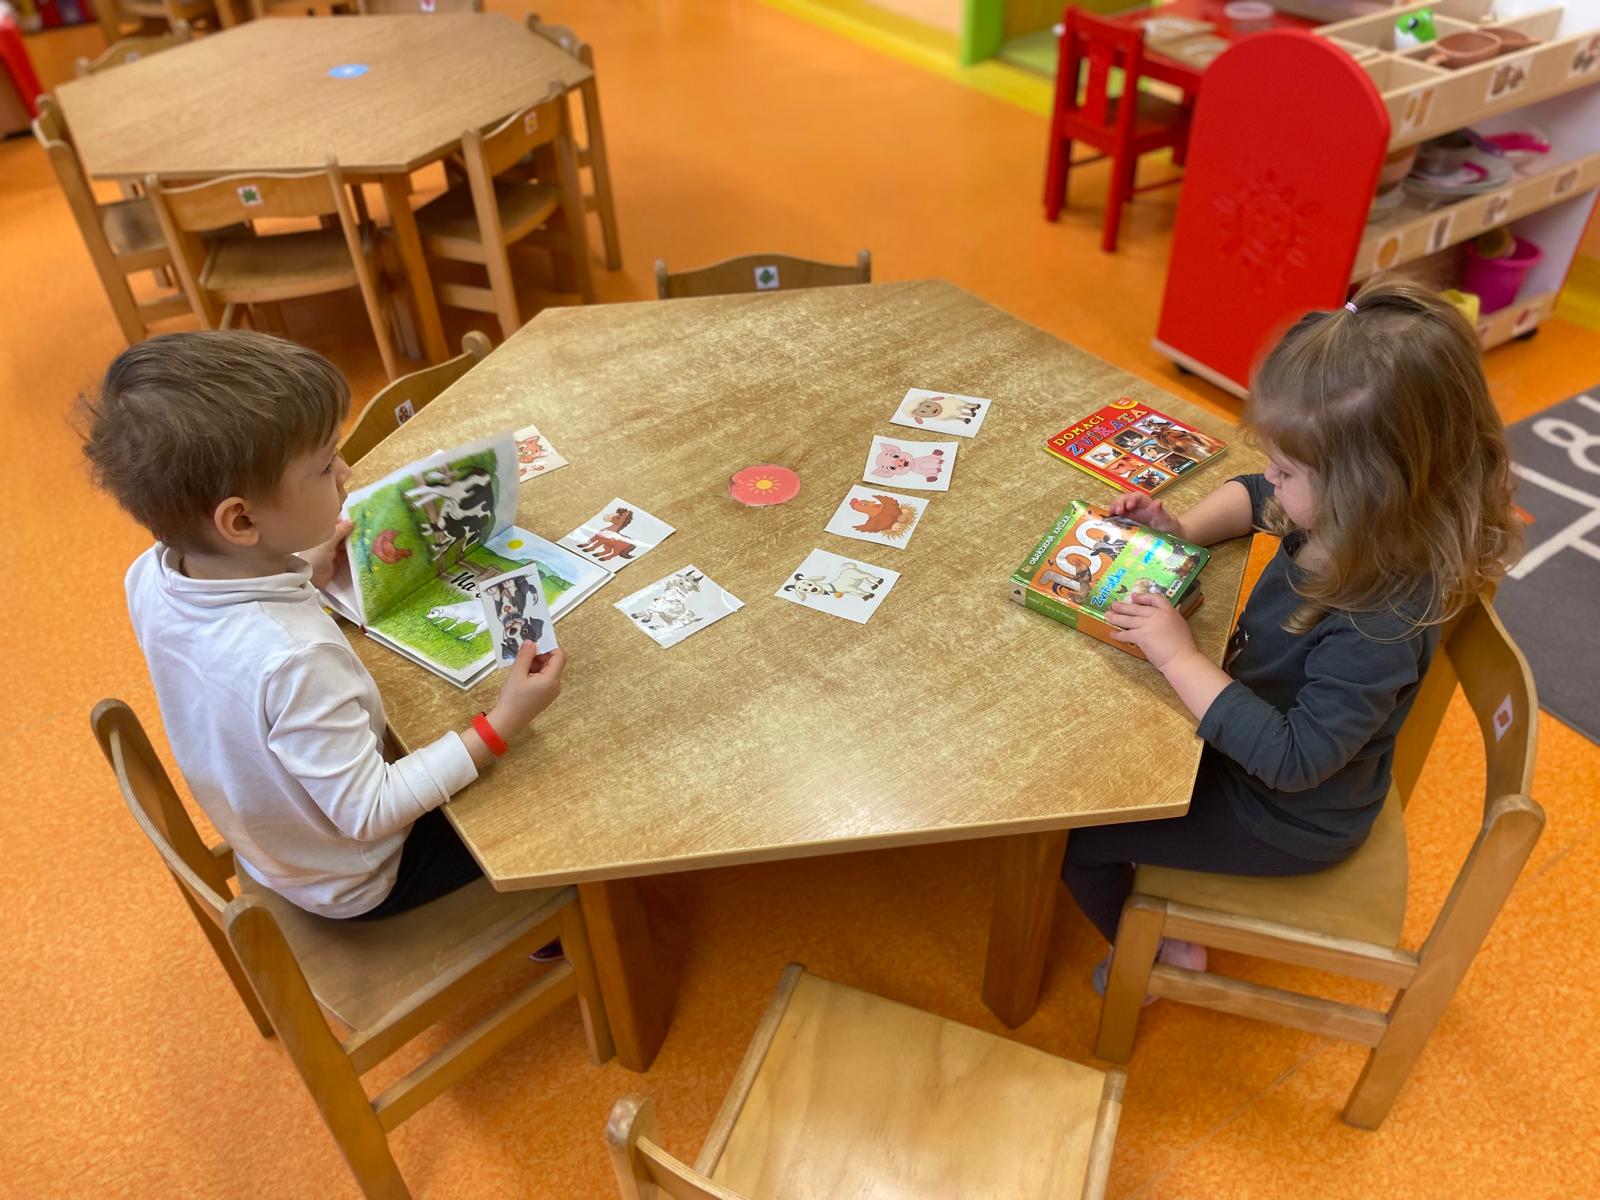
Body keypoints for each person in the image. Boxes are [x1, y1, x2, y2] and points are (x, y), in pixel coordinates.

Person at [1062, 281, 1523, 992]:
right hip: (1249, 744)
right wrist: (1181, 531)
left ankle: (1155, 958)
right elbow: (1254, 495)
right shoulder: (1350, 518)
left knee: (1075, 839)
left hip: (1285, 817)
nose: (1270, 479)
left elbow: (1293, 759)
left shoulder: (1379, 619)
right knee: (1105, 747)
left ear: (1369, 486)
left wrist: (1180, 656)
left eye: (1287, 469)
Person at [83, 331, 566, 924]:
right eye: (323, 465)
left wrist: (303, 573)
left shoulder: (149, 575)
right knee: (553, 783)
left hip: (278, 849)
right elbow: (370, 812)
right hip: (364, 877)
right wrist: (502, 722)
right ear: (241, 521)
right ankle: (545, 925)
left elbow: (226, 657)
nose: (346, 470)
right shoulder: (295, 659)